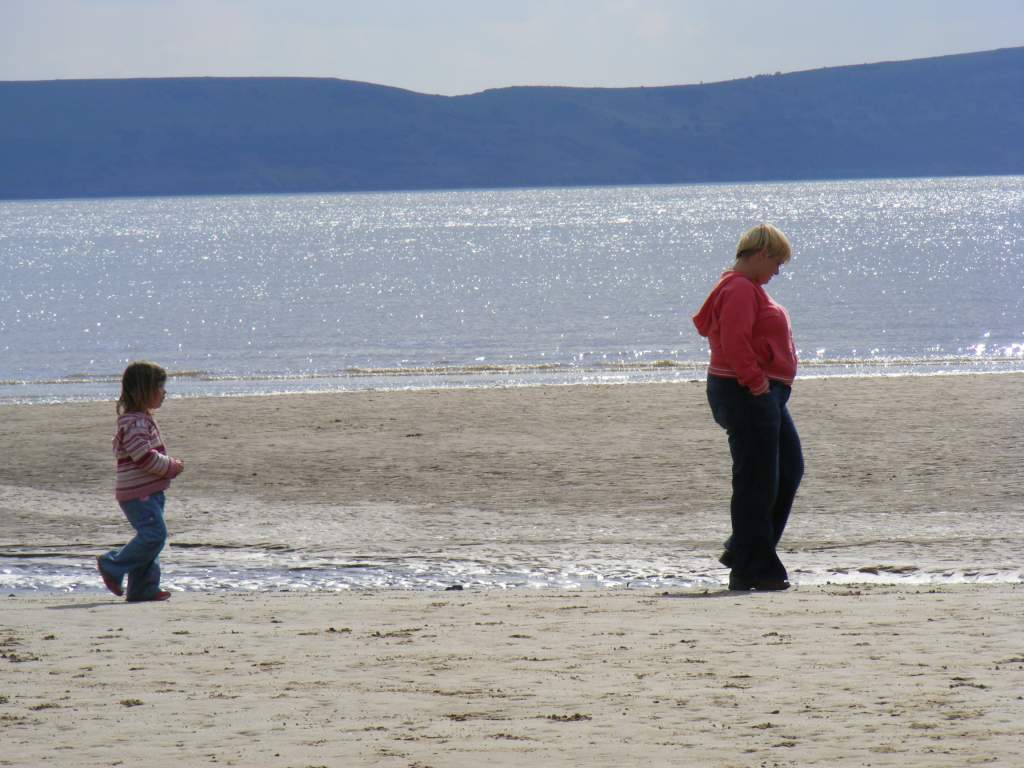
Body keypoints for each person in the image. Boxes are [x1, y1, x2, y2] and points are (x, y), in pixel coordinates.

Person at [692, 223, 803, 591]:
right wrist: (757, 386)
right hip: (747, 392)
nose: (777, 272)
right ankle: (754, 566)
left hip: (761, 393)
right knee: (758, 481)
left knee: (786, 470)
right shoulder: (739, 288)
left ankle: (747, 553)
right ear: (760, 254)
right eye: (776, 262)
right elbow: (736, 343)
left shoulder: (745, 287)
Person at [97, 361, 184, 602]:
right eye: (159, 387)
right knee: (154, 535)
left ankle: (143, 588)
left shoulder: (142, 419)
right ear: (141, 391)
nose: (164, 392)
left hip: (150, 491)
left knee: (151, 541)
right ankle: (113, 564)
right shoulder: (134, 423)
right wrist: (171, 466)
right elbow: (144, 457)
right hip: (138, 493)